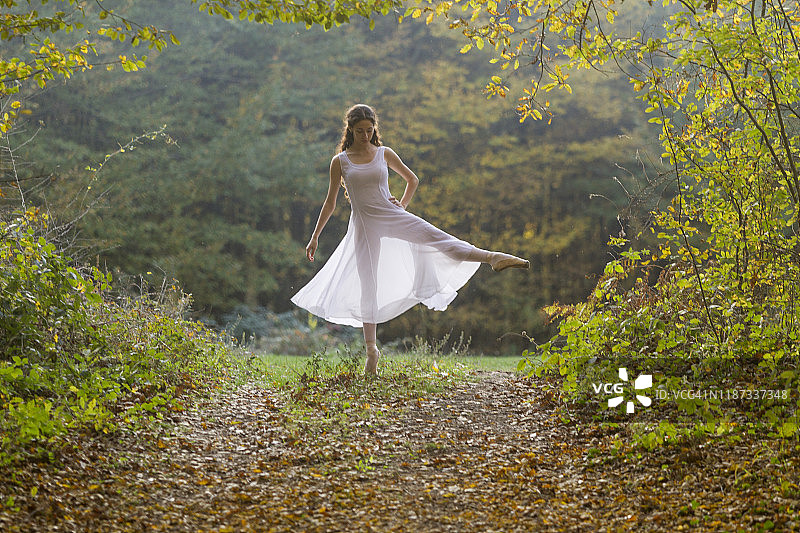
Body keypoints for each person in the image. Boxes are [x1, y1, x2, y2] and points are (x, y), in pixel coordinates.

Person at [291, 104, 529, 375]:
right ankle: (372, 351)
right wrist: (314, 237)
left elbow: (412, 180)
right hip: (364, 227)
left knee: (434, 237)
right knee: (368, 284)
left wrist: (402, 205)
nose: (365, 135)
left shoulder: (384, 153)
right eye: (360, 131)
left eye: (370, 130)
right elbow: (330, 202)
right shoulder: (341, 162)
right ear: (350, 130)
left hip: (391, 215)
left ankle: (492, 257)